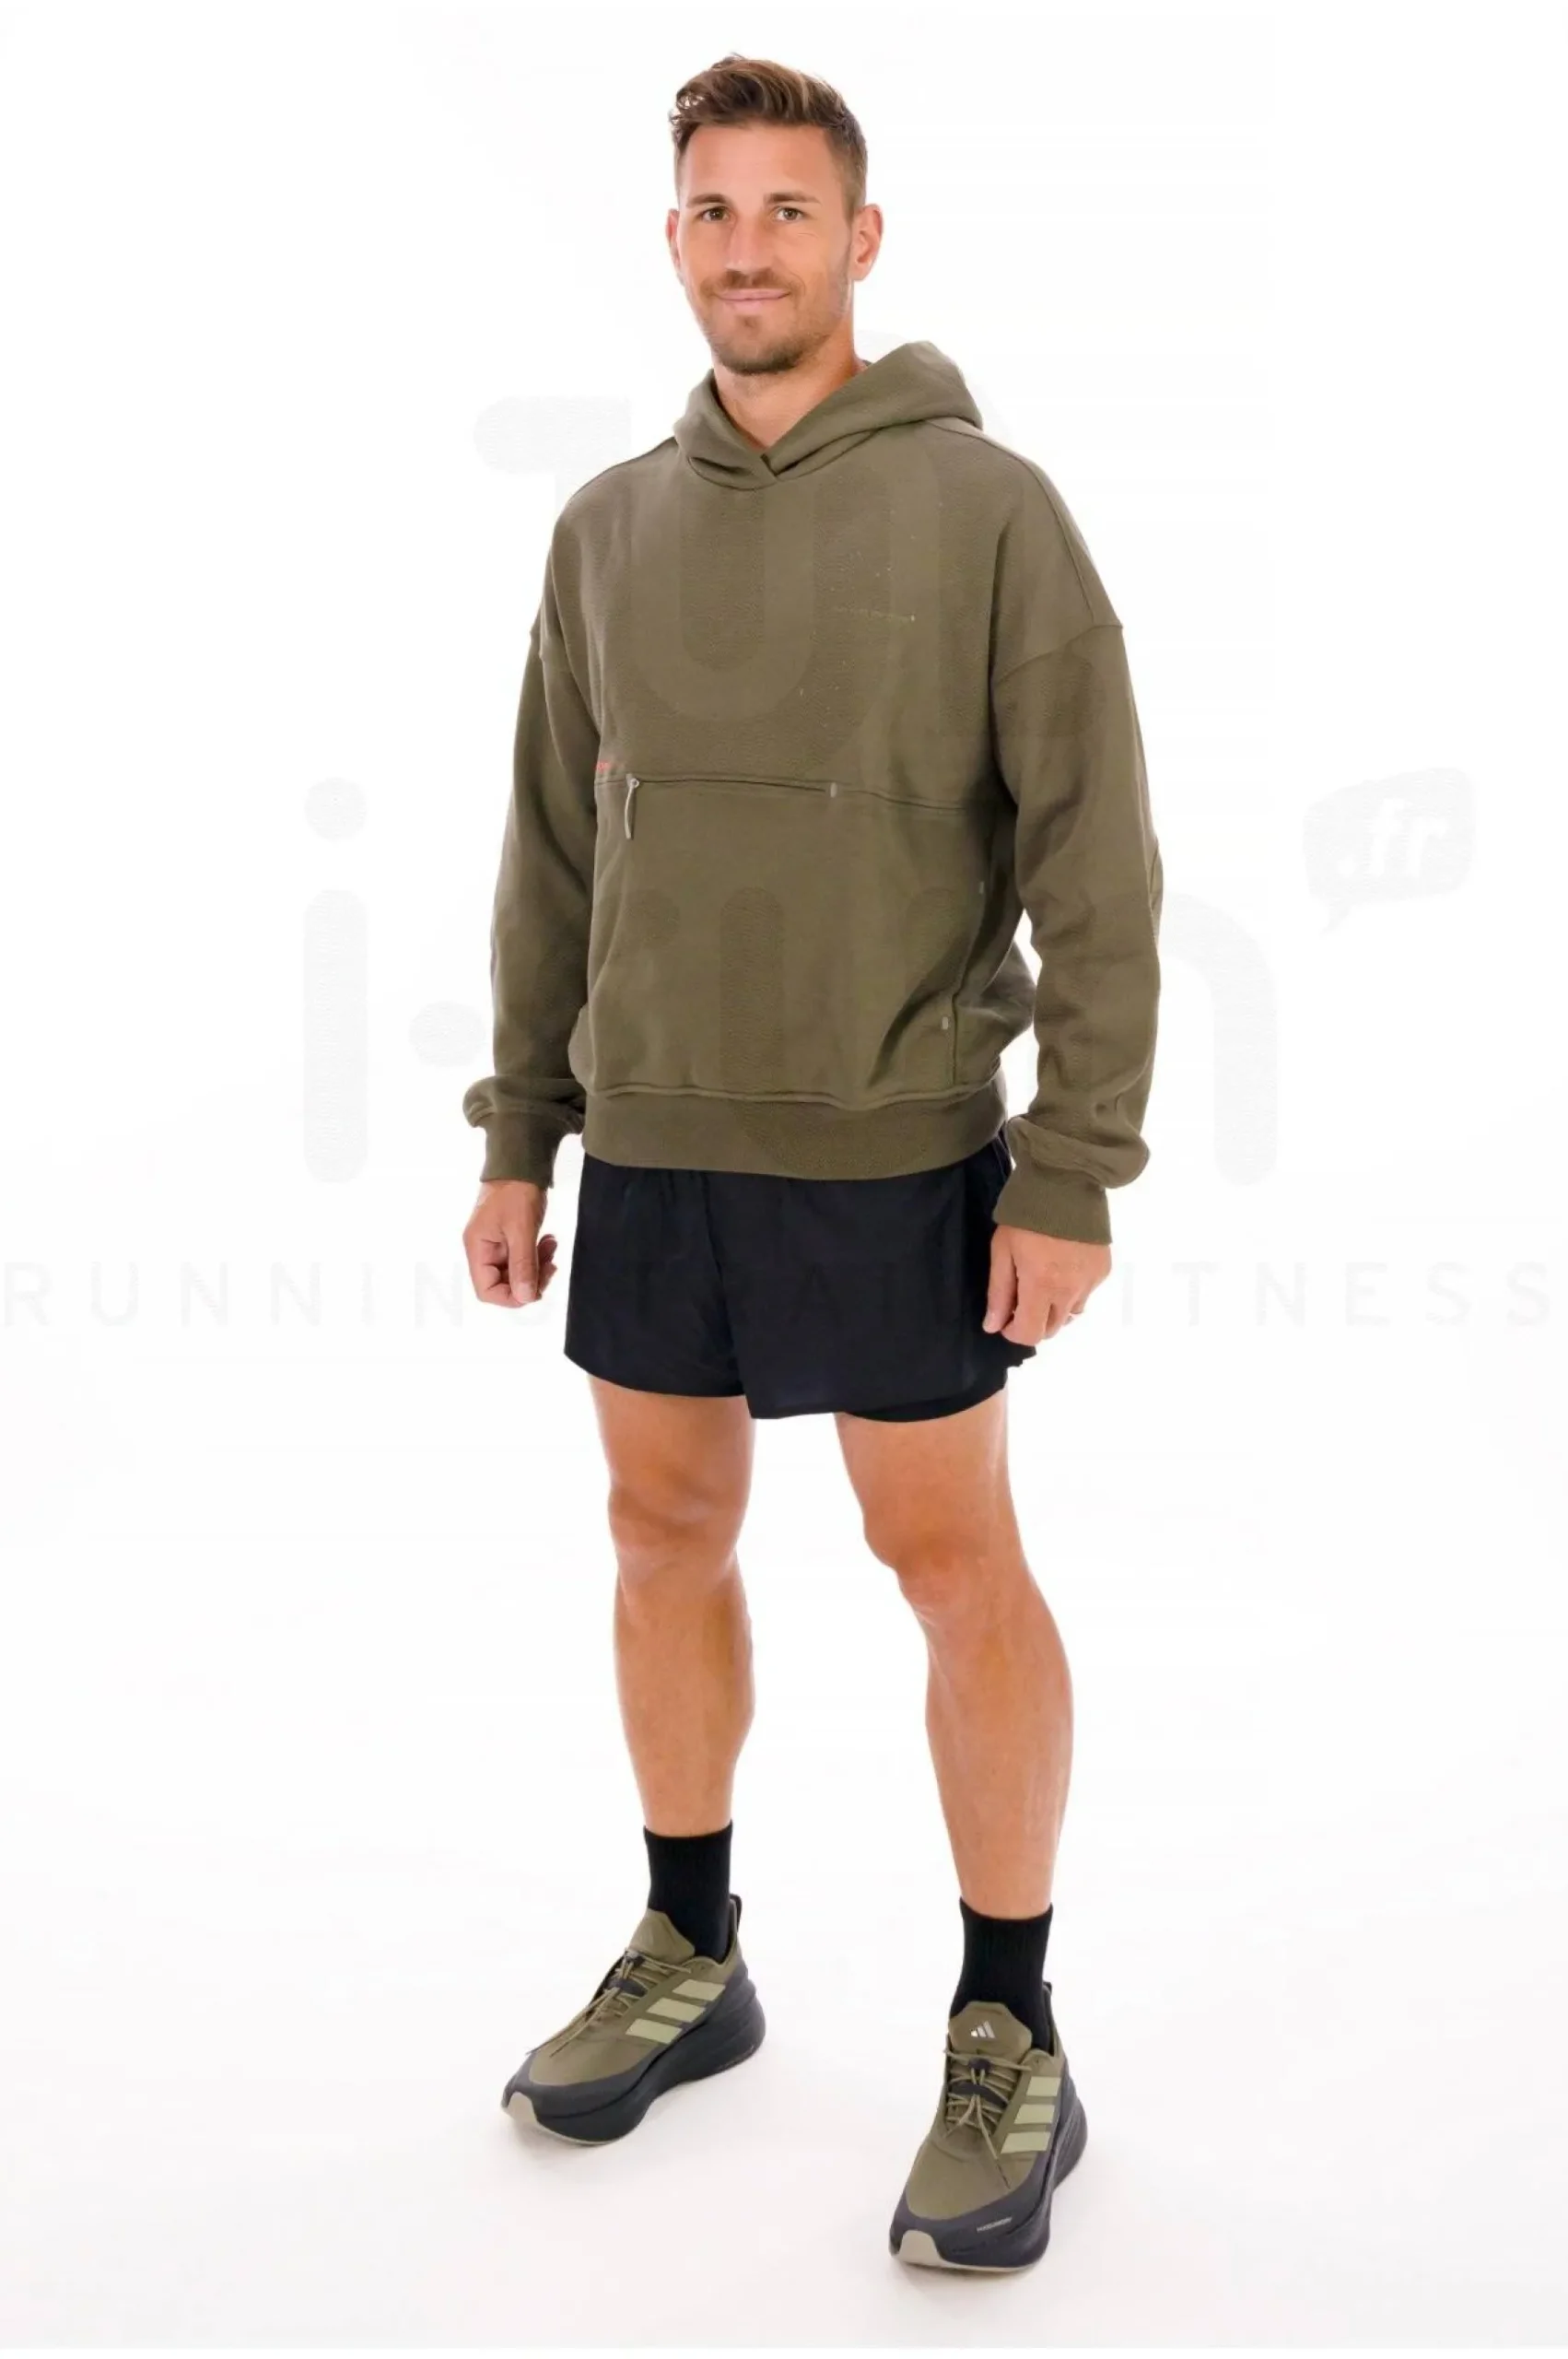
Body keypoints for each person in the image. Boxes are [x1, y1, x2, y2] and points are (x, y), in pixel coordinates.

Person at [460, 52, 1162, 2276]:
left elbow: (1098, 860)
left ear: (859, 240)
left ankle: (1009, 2020)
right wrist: (518, 1128)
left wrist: (1071, 1164)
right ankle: (692, 1947)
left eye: (786, 210)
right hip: (656, 1136)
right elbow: (550, 853)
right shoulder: (605, 524)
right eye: (710, 209)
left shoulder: (988, 509)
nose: (745, 247)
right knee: (658, 1527)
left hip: (894, 1142)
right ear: (671, 237)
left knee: (948, 1561)